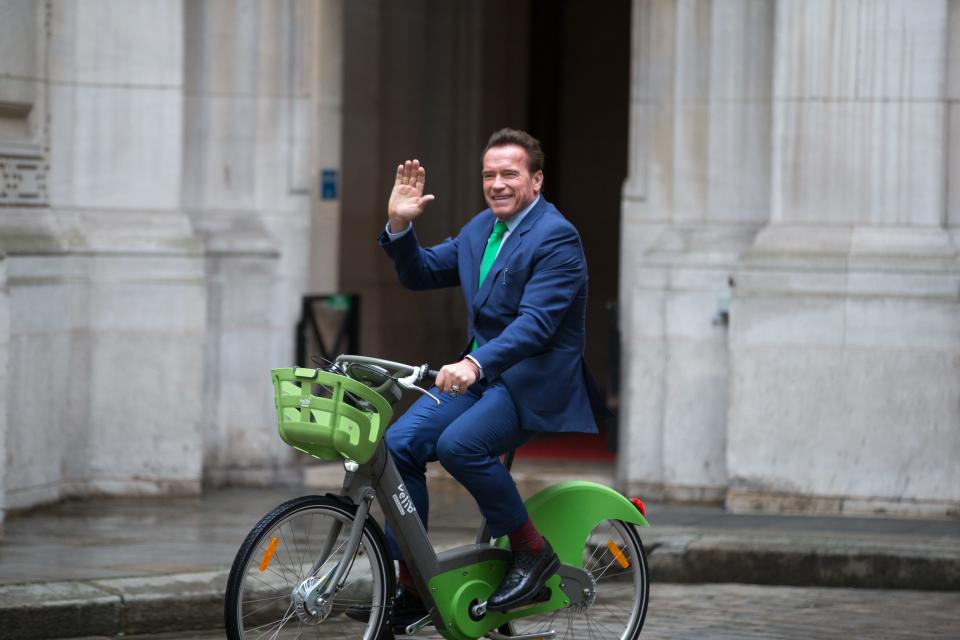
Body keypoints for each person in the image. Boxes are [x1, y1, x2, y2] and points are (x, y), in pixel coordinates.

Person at [378, 128, 603, 622]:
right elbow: (420, 273)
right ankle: (413, 581)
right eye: (489, 175)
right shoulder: (481, 229)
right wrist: (399, 226)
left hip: (529, 382)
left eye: (510, 173)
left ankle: (531, 550)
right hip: (481, 380)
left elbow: (537, 324)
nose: (497, 184)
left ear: (537, 180)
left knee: (461, 446)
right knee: (397, 446)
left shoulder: (556, 236)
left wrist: (475, 362)